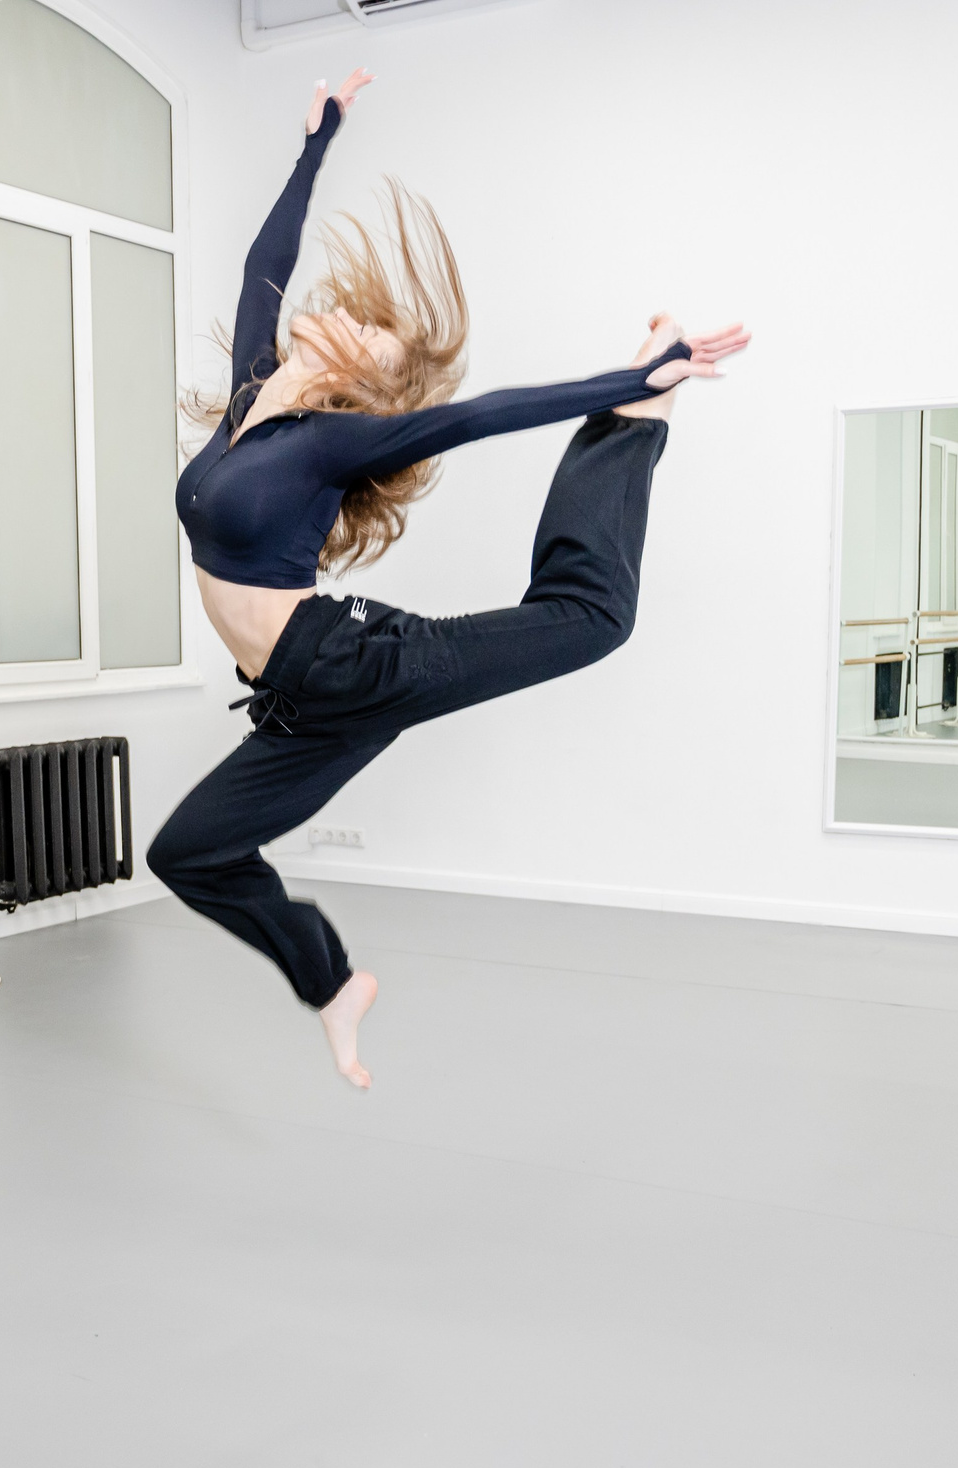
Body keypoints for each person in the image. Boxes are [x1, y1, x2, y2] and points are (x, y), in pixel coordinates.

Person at [148, 70, 748, 1089]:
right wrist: (317, 140)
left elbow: (482, 414)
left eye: (369, 345)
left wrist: (630, 383)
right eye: (357, 319)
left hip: (354, 661)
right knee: (188, 852)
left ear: (356, 387)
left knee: (592, 618)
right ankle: (332, 983)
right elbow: (266, 261)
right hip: (300, 703)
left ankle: (633, 431)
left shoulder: (328, 442)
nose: (343, 321)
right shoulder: (257, 401)